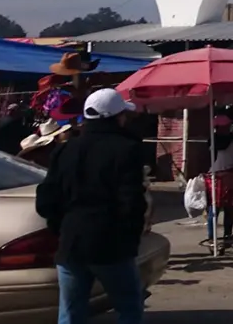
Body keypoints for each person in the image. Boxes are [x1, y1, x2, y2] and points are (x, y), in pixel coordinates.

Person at [35, 88, 148, 324]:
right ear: (117, 117)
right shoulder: (127, 150)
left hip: (71, 242)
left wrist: (62, 227)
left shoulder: (65, 149)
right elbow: (132, 203)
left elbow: (46, 200)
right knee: (129, 308)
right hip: (112, 245)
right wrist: (130, 239)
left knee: (70, 314)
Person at [208, 114, 233, 247]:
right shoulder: (215, 140)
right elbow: (223, 145)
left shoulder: (230, 138)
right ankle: (212, 239)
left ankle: (228, 237)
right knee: (215, 210)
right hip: (217, 177)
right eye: (226, 126)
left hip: (231, 175)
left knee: (229, 209)